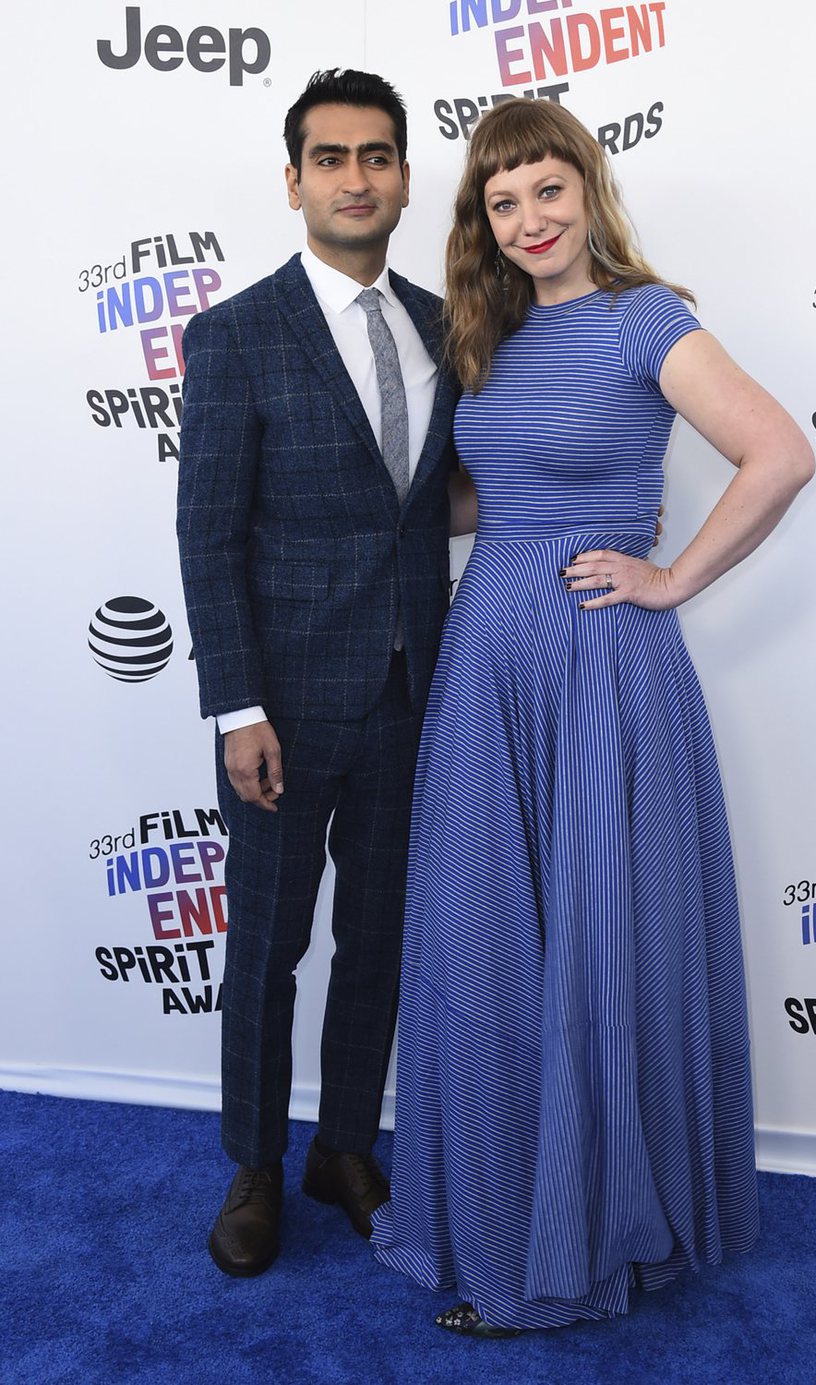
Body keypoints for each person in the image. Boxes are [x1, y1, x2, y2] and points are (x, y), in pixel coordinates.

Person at [371, 99, 815, 1333]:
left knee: (594, 947)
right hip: (490, 663)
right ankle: (504, 1211)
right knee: (488, 937)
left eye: (546, 190)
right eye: (502, 201)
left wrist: (669, 577)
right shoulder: (489, 336)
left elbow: (777, 453)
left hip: (596, 668)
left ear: (590, 189)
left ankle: (570, 1259)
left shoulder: (645, 318)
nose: (528, 219)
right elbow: (489, 497)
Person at [176, 68, 462, 1278]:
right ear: (294, 180)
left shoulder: (450, 324)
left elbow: (427, 503)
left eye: (379, 155)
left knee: (380, 941)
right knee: (266, 949)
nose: (358, 177)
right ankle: (252, 1163)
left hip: (419, 690)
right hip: (281, 708)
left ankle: (343, 1146)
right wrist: (238, 705)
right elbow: (209, 529)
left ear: (404, 177)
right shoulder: (236, 332)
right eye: (332, 157)